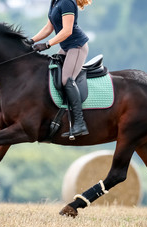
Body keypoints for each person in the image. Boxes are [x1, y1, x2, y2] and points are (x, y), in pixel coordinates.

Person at [26, 0, 92, 138]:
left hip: (77, 46)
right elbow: (48, 28)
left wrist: (47, 44)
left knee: (66, 80)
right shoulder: (55, 2)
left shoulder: (67, 2)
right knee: (52, 73)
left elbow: (67, 31)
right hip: (67, 47)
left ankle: (80, 123)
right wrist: (30, 41)